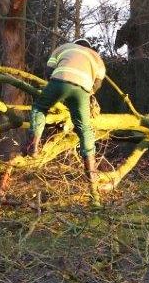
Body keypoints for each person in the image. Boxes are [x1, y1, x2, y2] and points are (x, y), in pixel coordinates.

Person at [28, 37, 107, 190]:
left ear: (75, 44)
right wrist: (89, 93)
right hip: (83, 88)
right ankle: (91, 171)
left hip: (60, 80)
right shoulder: (96, 56)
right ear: (88, 47)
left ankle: (34, 146)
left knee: (39, 107)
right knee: (84, 128)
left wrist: (55, 88)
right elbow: (98, 82)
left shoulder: (64, 47)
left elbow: (49, 69)